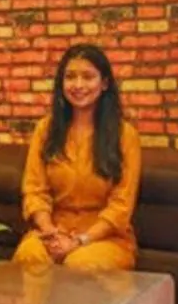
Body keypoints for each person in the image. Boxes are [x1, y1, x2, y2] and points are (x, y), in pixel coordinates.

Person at [13, 44, 143, 272]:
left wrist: (80, 240)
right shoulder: (45, 130)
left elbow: (121, 206)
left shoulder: (125, 135)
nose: (78, 85)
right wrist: (50, 231)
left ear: (104, 84)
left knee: (79, 264)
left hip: (104, 238)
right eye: (70, 77)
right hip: (54, 231)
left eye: (88, 77)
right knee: (29, 255)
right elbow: (35, 191)